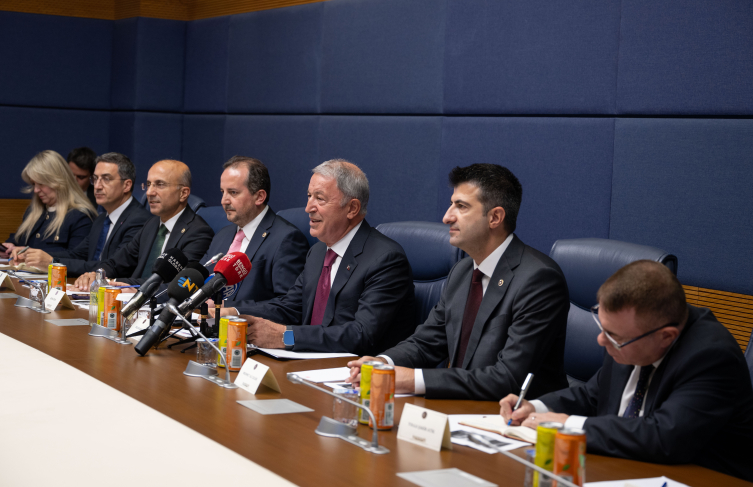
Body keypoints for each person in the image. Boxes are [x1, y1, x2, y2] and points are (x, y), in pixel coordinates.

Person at [500, 260, 753, 482]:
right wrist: (536, 407)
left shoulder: (710, 357)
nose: (602, 340)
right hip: (623, 468)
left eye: (614, 336)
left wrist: (569, 425)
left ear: (666, 337)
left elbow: (664, 437)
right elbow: (592, 395)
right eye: (602, 327)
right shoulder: (628, 335)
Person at [347, 164, 569, 401]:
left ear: (495, 217)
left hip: (514, 416)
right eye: (451, 204)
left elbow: (507, 378)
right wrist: (383, 363)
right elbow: (426, 343)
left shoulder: (539, 280)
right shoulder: (462, 272)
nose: (447, 217)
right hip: (461, 406)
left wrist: (412, 379)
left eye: (461, 206)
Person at [237, 159, 415, 356]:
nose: (308, 208)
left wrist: (285, 337)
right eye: (309, 196)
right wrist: (233, 312)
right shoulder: (318, 252)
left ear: (352, 208)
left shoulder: (386, 259)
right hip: (308, 362)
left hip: (355, 369)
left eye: (319, 198)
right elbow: (289, 307)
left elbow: (361, 335)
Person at [73, 159, 214, 288]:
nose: (149, 192)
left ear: (183, 193)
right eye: (148, 185)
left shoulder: (198, 232)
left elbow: (175, 284)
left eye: (159, 184)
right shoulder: (151, 224)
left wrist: (113, 282)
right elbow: (117, 262)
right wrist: (97, 275)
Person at [199, 156, 309, 317]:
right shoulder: (222, 235)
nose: (224, 201)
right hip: (203, 324)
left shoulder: (286, 239)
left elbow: (287, 305)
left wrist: (229, 308)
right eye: (223, 192)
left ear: (259, 197)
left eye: (233, 192)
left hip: (246, 328)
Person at [12, 153, 151, 277]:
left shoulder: (138, 220)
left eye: (106, 179)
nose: (97, 186)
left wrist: (52, 262)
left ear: (126, 185)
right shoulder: (102, 219)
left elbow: (112, 267)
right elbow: (77, 255)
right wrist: (33, 255)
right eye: (95, 179)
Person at [4, 151, 96, 260]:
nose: (36, 190)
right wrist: (10, 246)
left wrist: (32, 254)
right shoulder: (33, 211)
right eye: (33, 184)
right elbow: (19, 240)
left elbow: (77, 258)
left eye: (41, 183)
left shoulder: (81, 216)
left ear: (58, 181)